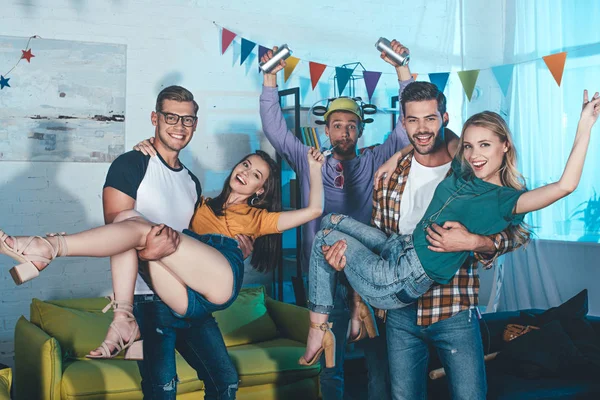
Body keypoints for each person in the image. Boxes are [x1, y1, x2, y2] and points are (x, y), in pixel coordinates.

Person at [301, 90, 600, 369]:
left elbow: (565, 186)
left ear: (505, 145)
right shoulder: (462, 173)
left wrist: (585, 126)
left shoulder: (506, 201)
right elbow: (429, 134)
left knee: (324, 238)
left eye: (484, 145)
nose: (474, 154)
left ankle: (318, 328)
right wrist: (397, 155)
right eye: (469, 146)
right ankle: (351, 309)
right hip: (399, 247)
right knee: (332, 221)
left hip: (402, 278)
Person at [0, 145, 325, 398]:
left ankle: (49, 247)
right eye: (245, 165)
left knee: (143, 230)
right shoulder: (202, 203)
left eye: (257, 175)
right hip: (185, 294)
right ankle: (125, 318)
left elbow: (315, 210)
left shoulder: (257, 219)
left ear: (259, 190)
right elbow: (168, 181)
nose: (247, 172)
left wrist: (313, 168)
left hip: (220, 276)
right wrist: (149, 151)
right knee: (127, 219)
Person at [321, 81, 521, 399]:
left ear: (445, 118)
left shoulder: (471, 172)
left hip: (453, 308)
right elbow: (378, 246)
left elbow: (514, 234)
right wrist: (354, 287)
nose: (422, 128)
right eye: (413, 120)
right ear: (403, 123)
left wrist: (475, 242)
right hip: (399, 313)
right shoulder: (388, 177)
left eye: (430, 118)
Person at [259, 40, 433, 400]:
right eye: (336, 126)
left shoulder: (375, 159)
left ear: (360, 131)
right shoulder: (310, 160)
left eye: (351, 126)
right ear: (326, 130)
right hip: (324, 271)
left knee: (378, 358)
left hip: (369, 268)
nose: (343, 132)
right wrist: (270, 80)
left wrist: (403, 70)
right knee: (330, 358)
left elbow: (406, 128)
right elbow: (275, 128)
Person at [98, 85, 251, 399]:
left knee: (225, 382)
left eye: (188, 120)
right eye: (171, 117)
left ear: (195, 124)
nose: (180, 126)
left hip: (187, 297)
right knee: (162, 390)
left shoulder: (192, 181)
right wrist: (147, 256)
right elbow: (115, 231)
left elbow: (190, 244)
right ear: (155, 118)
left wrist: (233, 251)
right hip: (146, 300)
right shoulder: (131, 164)